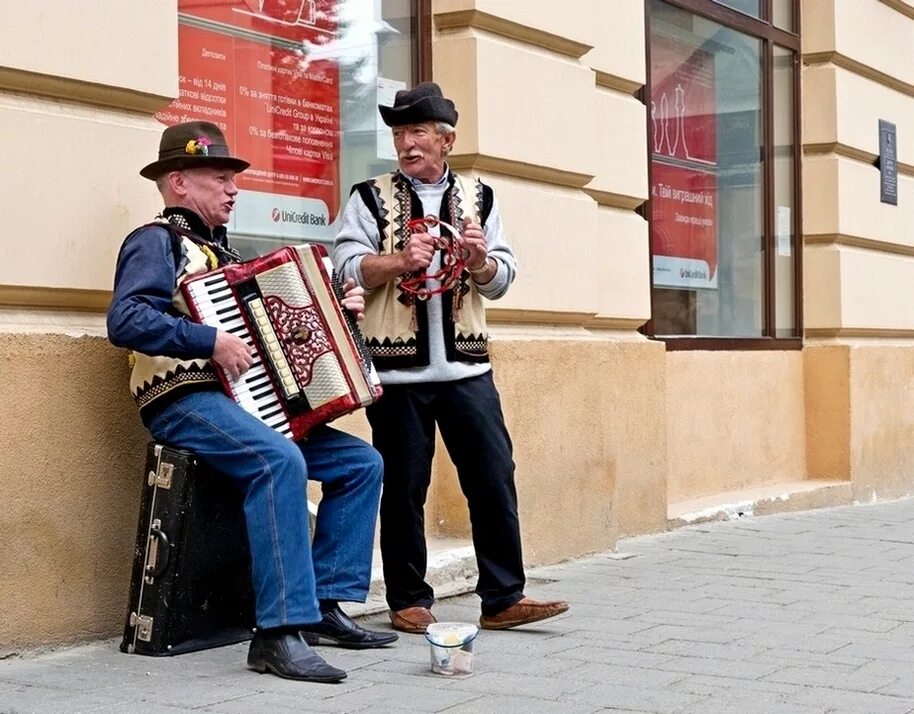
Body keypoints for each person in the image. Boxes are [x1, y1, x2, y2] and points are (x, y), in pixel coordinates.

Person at [107, 121, 397, 683]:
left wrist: (339, 313)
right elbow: (126, 318)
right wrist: (207, 339)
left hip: (244, 405)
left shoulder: (228, 256)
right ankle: (277, 635)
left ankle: (325, 607)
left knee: (361, 463)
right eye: (220, 178)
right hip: (183, 398)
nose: (233, 189)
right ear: (179, 183)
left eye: (233, 180)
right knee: (278, 460)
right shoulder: (155, 241)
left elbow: (273, 340)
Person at [332, 83, 569, 634]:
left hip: (468, 370)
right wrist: (396, 261)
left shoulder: (480, 196)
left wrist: (483, 262)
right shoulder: (368, 196)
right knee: (404, 485)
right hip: (397, 370)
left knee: (492, 476)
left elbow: (504, 278)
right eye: (399, 134)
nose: (407, 144)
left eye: (417, 133)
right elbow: (344, 265)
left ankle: (503, 596)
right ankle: (408, 599)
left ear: (446, 140)